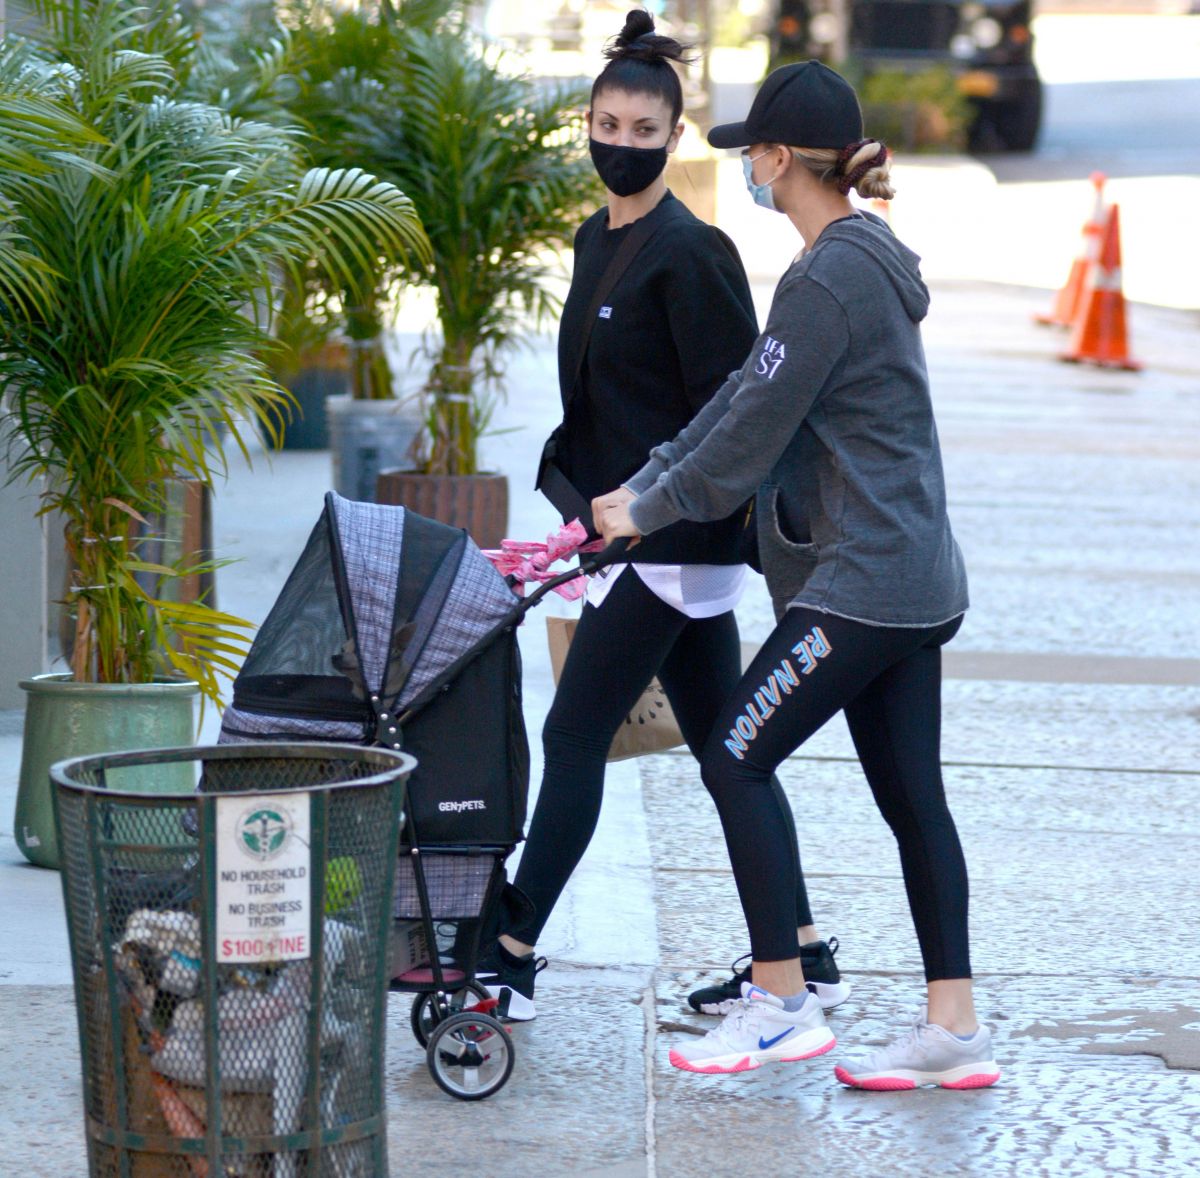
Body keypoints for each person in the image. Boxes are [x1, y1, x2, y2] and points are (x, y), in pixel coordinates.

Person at [594, 59, 1000, 1089]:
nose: (748, 173)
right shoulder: (856, 256)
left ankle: (781, 1001)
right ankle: (951, 1024)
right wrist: (647, 478)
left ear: (780, 160)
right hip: (913, 580)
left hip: (861, 581)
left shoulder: (826, 278)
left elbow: (745, 441)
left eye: (753, 157)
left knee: (732, 752)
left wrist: (645, 509)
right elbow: (742, 397)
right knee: (913, 797)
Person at [478, 11, 849, 1023]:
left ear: (675, 139)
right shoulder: (595, 236)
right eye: (610, 123)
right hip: (625, 537)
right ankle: (799, 944)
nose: (625, 142)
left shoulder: (696, 252)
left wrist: (660, 509)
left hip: (675, 542)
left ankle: (507, 947)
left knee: (575, 731)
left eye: (646, 130)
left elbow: (737, 412)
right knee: (730, 746)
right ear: (586, 123)